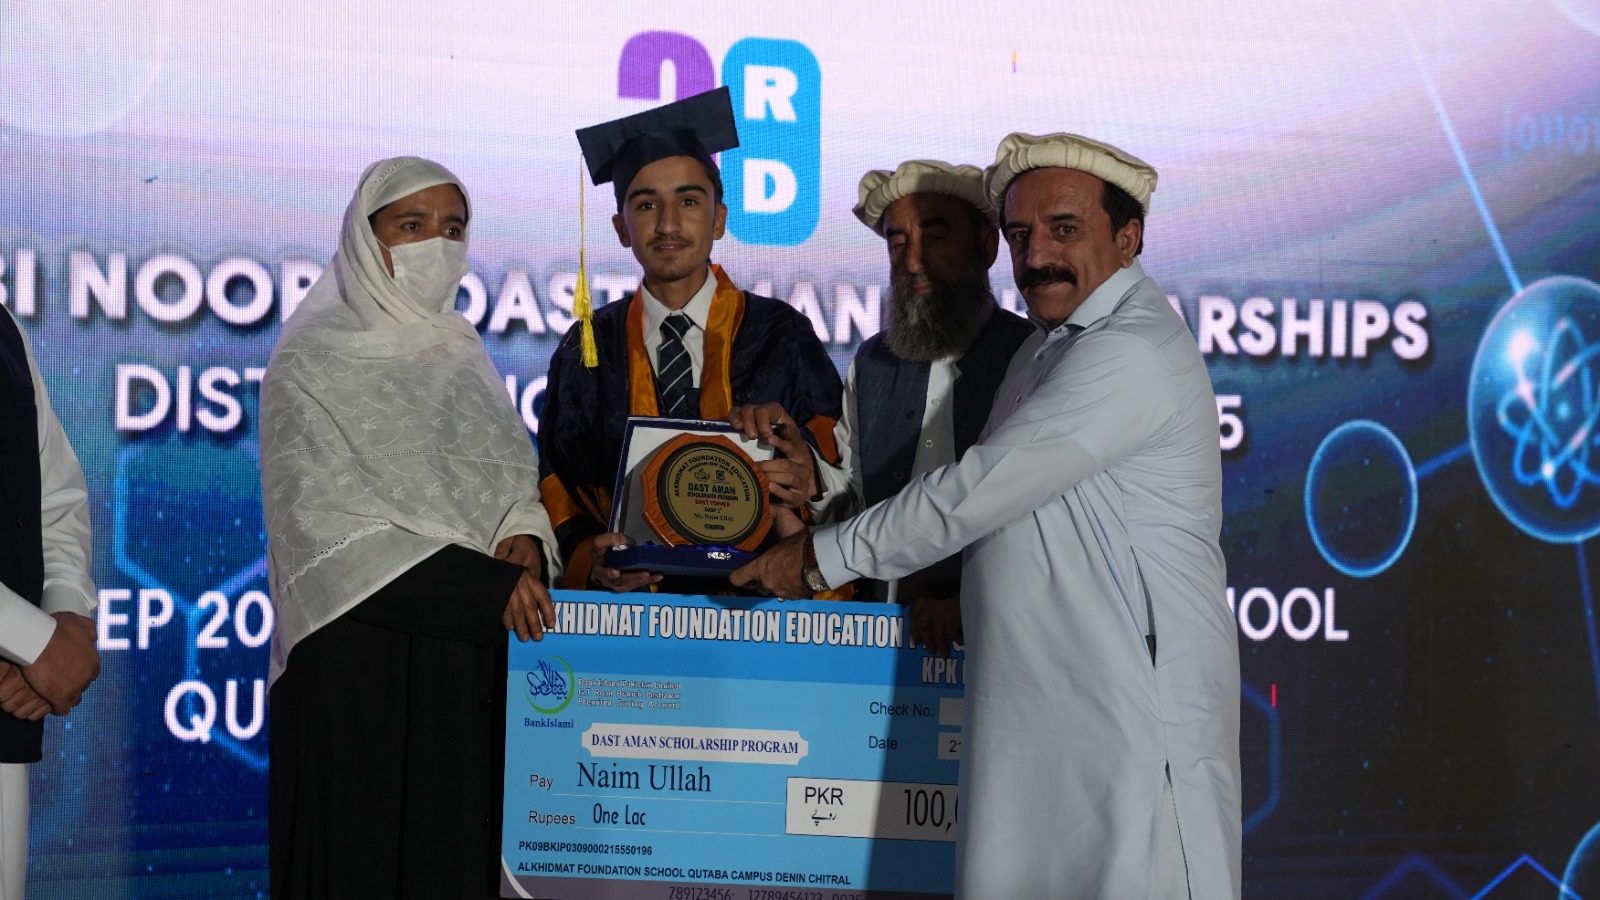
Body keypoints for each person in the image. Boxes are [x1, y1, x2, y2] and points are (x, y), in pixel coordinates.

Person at [733, 132, 1241, 899]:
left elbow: (977, 488)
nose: (1037, 256)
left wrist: (814, 559)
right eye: (1023, 235)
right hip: (1036, 712)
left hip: (1126, 711)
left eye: (1064, 230)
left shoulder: (1127, 350)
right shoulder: (1049, 349)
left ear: (1128, 237)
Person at [261, 156, 561, 899]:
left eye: (452, 229)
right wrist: (483, 585)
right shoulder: (307, 359)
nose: (437, 245)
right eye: (412, 225)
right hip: (361, 674)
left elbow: (509, 480)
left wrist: (526, 537)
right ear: (367, 240)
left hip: (468, 670)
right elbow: (321, 532)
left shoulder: (463, 353)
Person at [541, 87, 843, 593]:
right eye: (646, 205)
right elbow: (559, 483)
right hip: (630, 616)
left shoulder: (782, 333)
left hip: (759, 608)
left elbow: (836, 462)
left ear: (719, 218)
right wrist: (590, 559)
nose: (668, 224)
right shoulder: (587, 347)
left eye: (688, 200)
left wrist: (807, 470)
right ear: (620, 228)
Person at [729, 160, 1031, 654]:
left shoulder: (1031, 356)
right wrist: (813, 480)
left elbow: (1043, 523)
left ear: (987, 245)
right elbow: (861, 507)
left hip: (995, 643)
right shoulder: (873, 361)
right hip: (878, 640)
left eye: (935, 237)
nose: (913, 262)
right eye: (897, 243)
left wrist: (968, 597)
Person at [0, 304, 98, 900]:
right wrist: (35, 643)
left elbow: (53, 494)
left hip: (8, 710)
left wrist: (61, 615)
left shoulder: (4, 326)